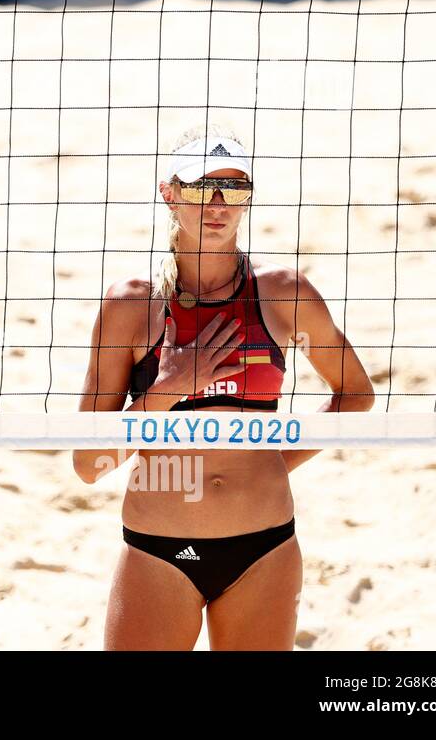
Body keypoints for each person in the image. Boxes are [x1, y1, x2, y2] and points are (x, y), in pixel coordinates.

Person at [73, 126, 375, 650]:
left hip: (264, 547)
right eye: (199, 188)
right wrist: (171, 385)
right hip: (158, 549)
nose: (217, 205)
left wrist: (270, 460)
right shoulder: (131, 307)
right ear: (169, 193)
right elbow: (88, 462)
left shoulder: (284, 295)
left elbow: (355, 394)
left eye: (233, 189)